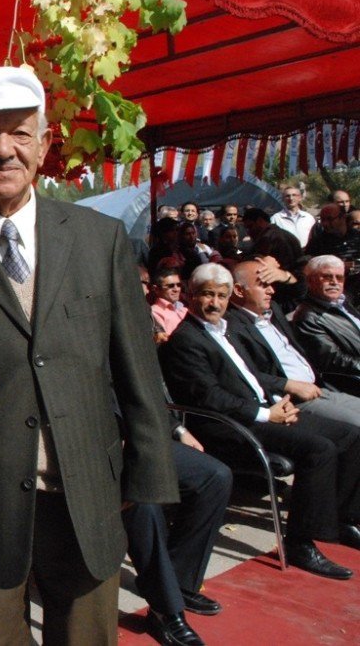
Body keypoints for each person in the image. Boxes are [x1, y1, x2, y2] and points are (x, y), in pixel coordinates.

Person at [0, 65, 177, 645]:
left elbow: (136, 367)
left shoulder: (100, 240)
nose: (4, 151)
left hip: (89, 494)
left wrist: (148, 473)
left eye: (20, 133)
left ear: (44, 145)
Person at [159, 263, 360, 579]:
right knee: (318, 449)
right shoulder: (187, 340)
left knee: (350, 435)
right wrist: (269, 414)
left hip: (262, 411)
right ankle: (300, 543)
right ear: (190, 295)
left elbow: (252, 376)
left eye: (222, 296)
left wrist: (279, 401)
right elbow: (211, 397)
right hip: (226, 426)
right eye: (207, 295)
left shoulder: (227, 330)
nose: (214, 303)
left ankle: (342, 517)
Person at [124, 412, 231, 646]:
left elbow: (138, 387)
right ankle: (166, 609)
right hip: (84, 442)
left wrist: (178, 430)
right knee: (142, 499)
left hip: (136, 434)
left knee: (214, 476)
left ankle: (176, 584)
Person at [226, 260, 360, 428]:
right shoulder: (230, 327)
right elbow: (242, 374)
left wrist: (285, 276)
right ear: (239, 290)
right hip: (293, 400)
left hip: (320, 388)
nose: (271, 290)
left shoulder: (272, 309)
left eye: (272, 284)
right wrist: (289, 385)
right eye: (263, 285)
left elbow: (299, 290)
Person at [292, 255, 360, 375]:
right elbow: (333, 360)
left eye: (339, 278)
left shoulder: (343, 302)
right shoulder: (308, 317)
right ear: (310, 281)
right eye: (327, 277)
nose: (334, 282)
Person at [270, 184, 315, 248]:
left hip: (308, 254)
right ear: (283, 199)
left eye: (294, 195)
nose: (291, 198)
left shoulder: (309, 218)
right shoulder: (276, 219)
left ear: (300, 198)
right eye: (287, 196)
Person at [149, 267, 187, 339]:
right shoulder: (154, 312)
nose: (176, 289)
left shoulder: (184, 309)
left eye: (179, 285)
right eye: (170, 286)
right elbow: (164, 340)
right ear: (156, 289)